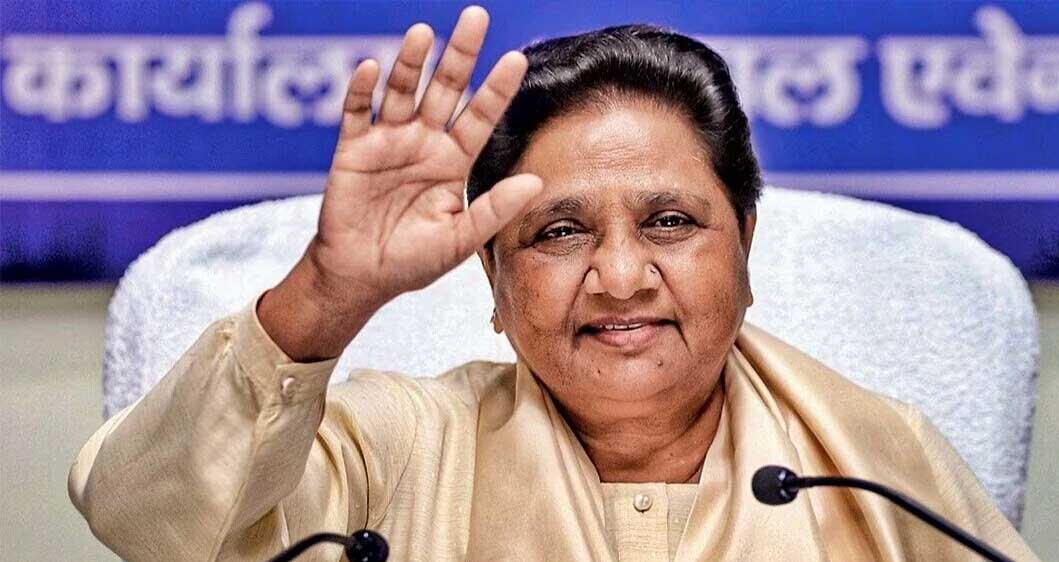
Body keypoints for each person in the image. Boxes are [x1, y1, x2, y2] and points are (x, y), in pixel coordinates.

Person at [69, 6, 1040, 562]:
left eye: (669, 221)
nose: (619, 277)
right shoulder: (399, 447)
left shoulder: (871, 463)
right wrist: (325, 293)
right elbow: (148, 520)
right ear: (493, 278)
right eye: (560, 232)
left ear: (744, 244)